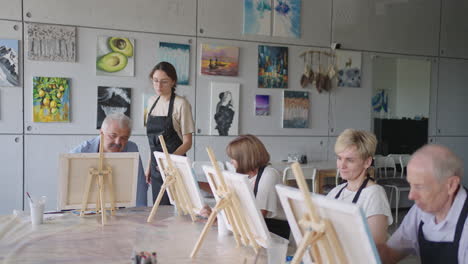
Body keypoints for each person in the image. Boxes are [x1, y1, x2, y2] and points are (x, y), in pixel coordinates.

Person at [378, 144, 467, 264]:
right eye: (411, 185)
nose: (411, 196)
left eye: (420, 186)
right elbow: (390, 253)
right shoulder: (421, 210)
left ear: (451, 185)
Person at [326, 129, 393, 245]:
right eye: (339, 158)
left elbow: (375, 246)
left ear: (367, 162)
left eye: (349, 160)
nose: (342, 165)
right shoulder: (335, 192)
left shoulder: (374, 194)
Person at [70, 113, 148, 207]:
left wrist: (140, 214)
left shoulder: (132, 148)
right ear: (101, 133)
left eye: (124, 138)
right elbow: (70, 191)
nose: (118, 142)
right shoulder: (79, 153)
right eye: (113, 135)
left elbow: (139, 186)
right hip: (87, 209)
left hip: (121, 210)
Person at [145, 61, 195, 205]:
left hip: (174, 166)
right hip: (156, 166)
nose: (158, 86)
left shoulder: (181, 104)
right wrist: (149, 167)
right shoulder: (151, 102)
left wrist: (168, 161)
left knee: (175, 211)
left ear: (173, 82)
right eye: (155, 81)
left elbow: (187, 143)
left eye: (164, 82)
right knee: (158, 211)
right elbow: (152, 143)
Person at [226, 134, 290, 239]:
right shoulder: (246, 176)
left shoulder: (269, 174)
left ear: (244, 158)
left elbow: (260, 215)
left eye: (234, 158)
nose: (231, 161)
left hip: (275, 232)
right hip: (258, 230)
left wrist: (226, 221)